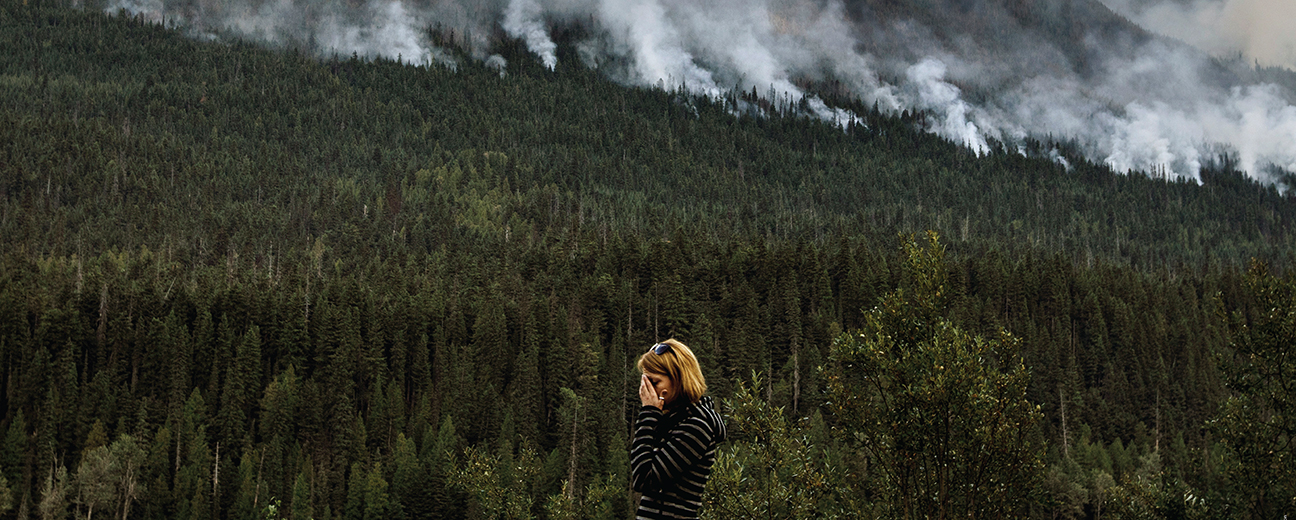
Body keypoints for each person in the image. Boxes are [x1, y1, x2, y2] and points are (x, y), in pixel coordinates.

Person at [631, 339, 727, 520]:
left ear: (679, 379)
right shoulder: (672, 420)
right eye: (645, 381)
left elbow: (643, 478)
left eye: (654, 382)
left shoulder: (696, 427)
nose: (647, 389)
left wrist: (648, 414)